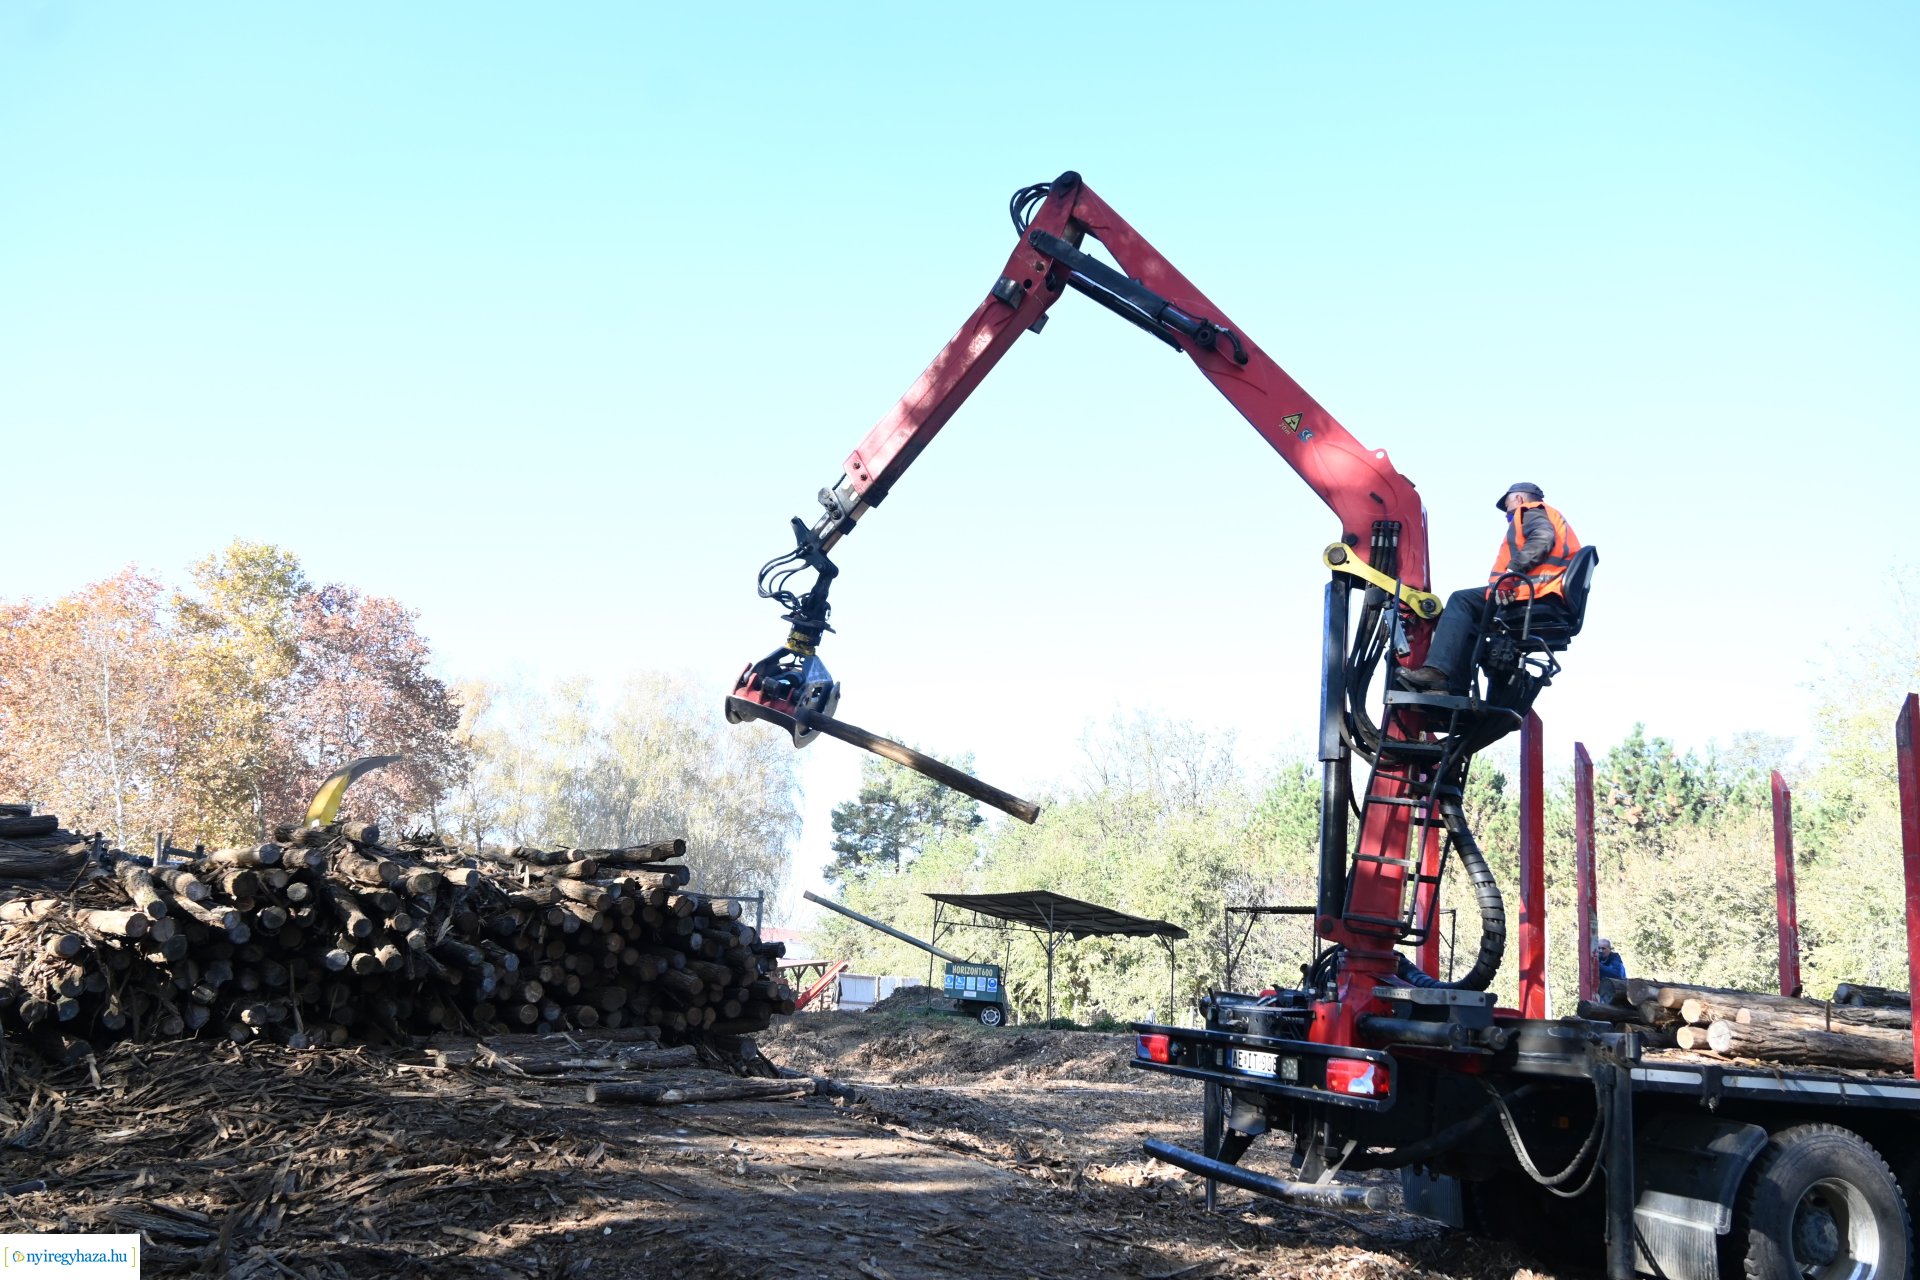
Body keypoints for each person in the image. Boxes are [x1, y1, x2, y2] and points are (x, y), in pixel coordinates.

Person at [1398, 482, 1583, 694]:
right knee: (1471, 622)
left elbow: (1542, 538)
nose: (1508, 517)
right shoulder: (1553, 517)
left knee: (1461, 601)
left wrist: (1510, 573)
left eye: (1508, 510)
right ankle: (1453, 689)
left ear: (1519, 499)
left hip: (1532, 592)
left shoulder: (1530, 511)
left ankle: (1436, 672)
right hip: (1545, 594)